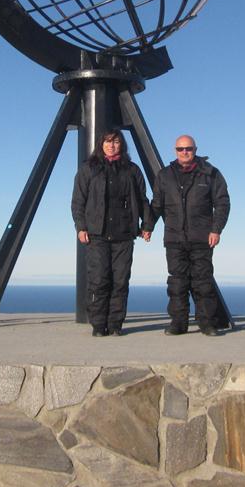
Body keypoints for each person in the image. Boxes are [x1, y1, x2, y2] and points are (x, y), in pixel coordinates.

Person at [142, 134, 230, 336]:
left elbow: (222, 203)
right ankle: (178, 323)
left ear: (195, 150)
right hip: (174, 238)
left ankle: (207, 324)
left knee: (203, 282)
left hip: (202, 237)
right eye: (180, 149)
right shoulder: (165, 175)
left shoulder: (210, 173)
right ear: (175, 151)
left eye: (188, 149)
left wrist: (216, 229)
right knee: (177, 283)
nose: (184, 152)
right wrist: (148, 226)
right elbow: (157, 204)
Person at [71, 129, 151, 337]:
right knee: (99, 280)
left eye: (115, 141)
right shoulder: (89, 169)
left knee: (120, 281)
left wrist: (146, 225)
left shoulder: (132, 170)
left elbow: (142, 200)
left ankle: (115, 324)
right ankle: (98, 324)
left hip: (124, 234)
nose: (111, 145)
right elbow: (78, 201)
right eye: (107, 142)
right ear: (101, 144)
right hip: (97, 234)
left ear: (121, 144)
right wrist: (81, 227)